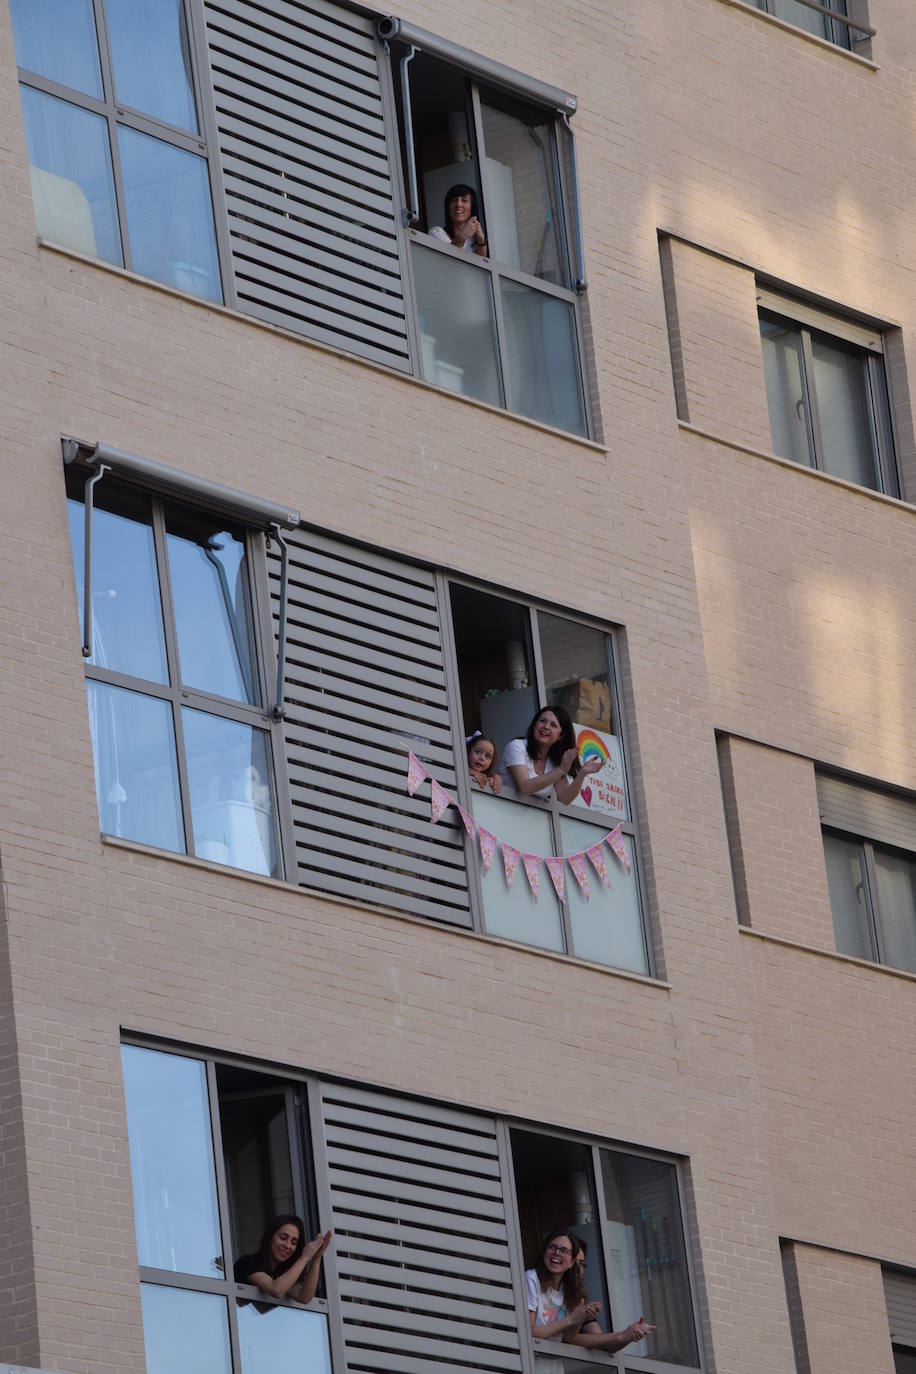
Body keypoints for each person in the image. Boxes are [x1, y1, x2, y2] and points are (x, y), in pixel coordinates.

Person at [568, 1235, 656, 1353]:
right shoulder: (539, 1287)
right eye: (574, 1262)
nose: (577, 1269)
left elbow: (604, 1344)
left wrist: (628, 1335)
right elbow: (568, 1340)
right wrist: (621, 1335)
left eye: (582, 1264)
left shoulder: (578, 1300)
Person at [498, 706, 601, 803]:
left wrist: (582, 774)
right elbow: (525, 787)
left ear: (561, 735)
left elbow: (565, 798)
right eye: (542, 721)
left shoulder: (554, 761)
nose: (546, 727)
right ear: (535, 725)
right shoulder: (517, 746)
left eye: (553, 725)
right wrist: (560, 770)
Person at [233, 1214, 332, 1304]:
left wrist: (316, 1258)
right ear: (270, 1236)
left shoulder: (281, 1272)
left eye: (293, 1242)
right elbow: (276, 1290)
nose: (288, 1246)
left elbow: (303, 1297)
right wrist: (305, 1257)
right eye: (283, 1238)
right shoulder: (248, 1262)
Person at [525, 1230, 596, 1342]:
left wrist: (581, 1317)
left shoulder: (571, 1290)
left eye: (564, 1250)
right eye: (552, 1247)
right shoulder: (532, 1278)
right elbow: (529, 1332)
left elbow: (568, 1339)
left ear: (572, 1262)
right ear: (544, 1252)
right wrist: (570, 1319)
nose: (557, 1252)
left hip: (556, 1360)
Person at [428, 183, 487, 256]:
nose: (459, 204)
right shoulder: (437, 233)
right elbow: (444, 262)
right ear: (448, 207)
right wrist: (461, 238)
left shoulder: (473, 240)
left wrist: (481, 241)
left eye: (464, 201)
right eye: (454, 200)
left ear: (472, 208)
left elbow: (482, 262)